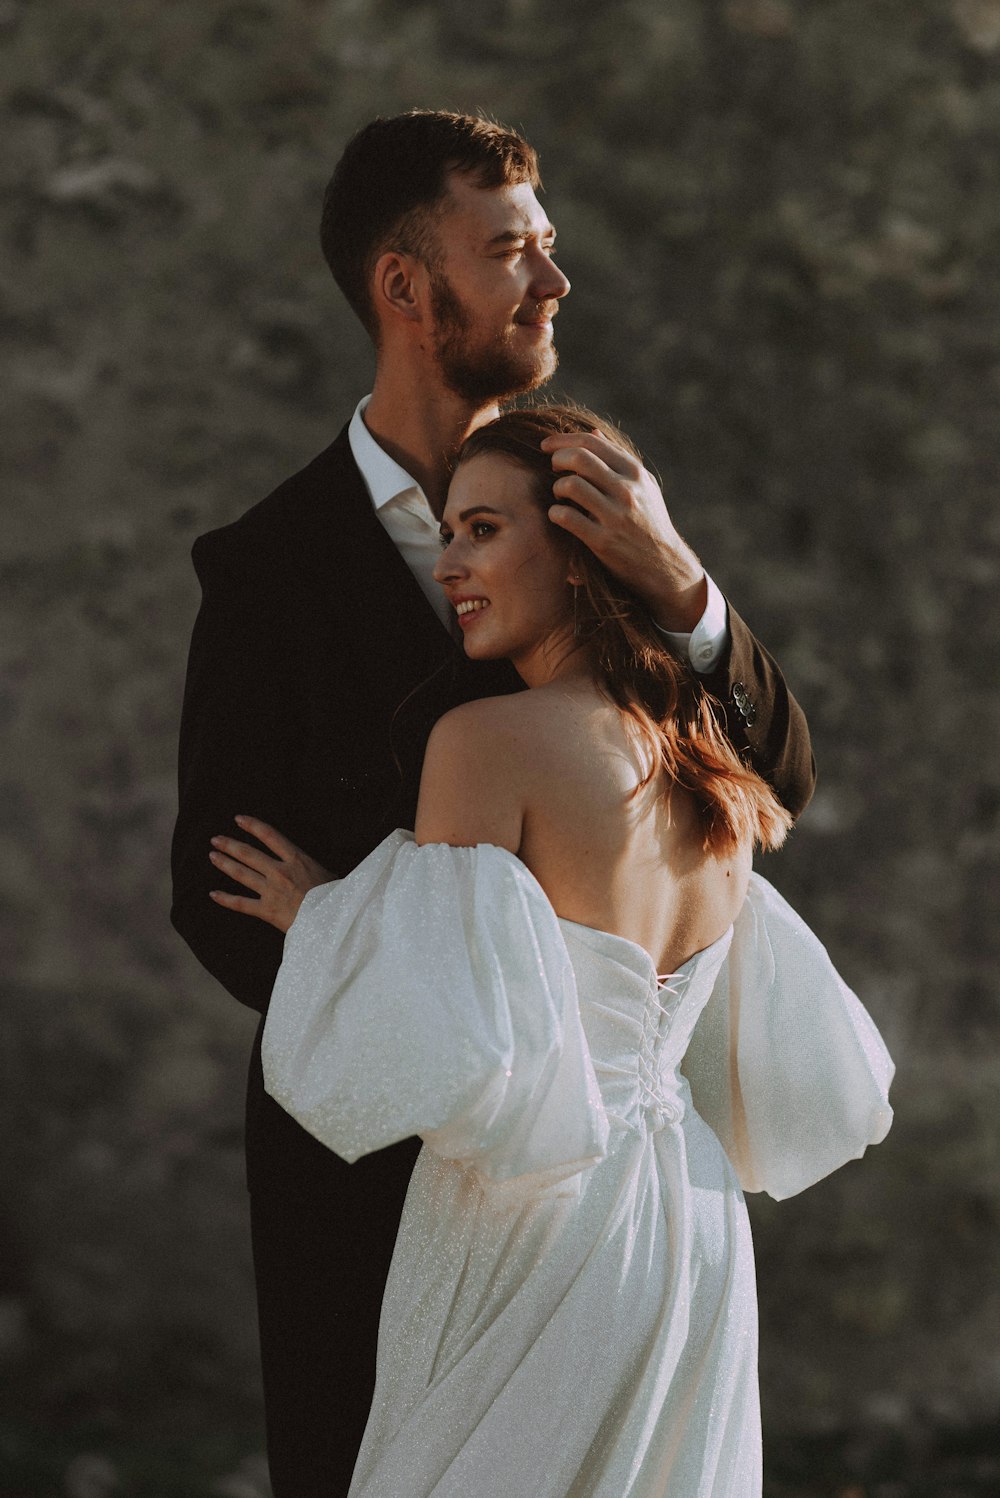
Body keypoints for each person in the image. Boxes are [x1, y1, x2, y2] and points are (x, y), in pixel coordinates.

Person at [170, 112, 815, 1496]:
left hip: (600, 1198)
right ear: (409, 290)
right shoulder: (267, 571)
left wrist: (686, 585)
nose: (554, 282)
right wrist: (448, 1059)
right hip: (364, 1170)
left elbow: (776, 778)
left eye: (550, 246)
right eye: (513, 248)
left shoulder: (596, 505)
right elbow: (217, 892)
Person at [208, 404, 893, 1498]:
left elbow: (445, 1038)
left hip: (535, 1213)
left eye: (483, 529)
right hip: (692, 1221)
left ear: (577, 554)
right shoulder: (714, 769)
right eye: (447, 532)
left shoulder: (483, 743)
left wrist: (321, 919)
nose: (451, 564)